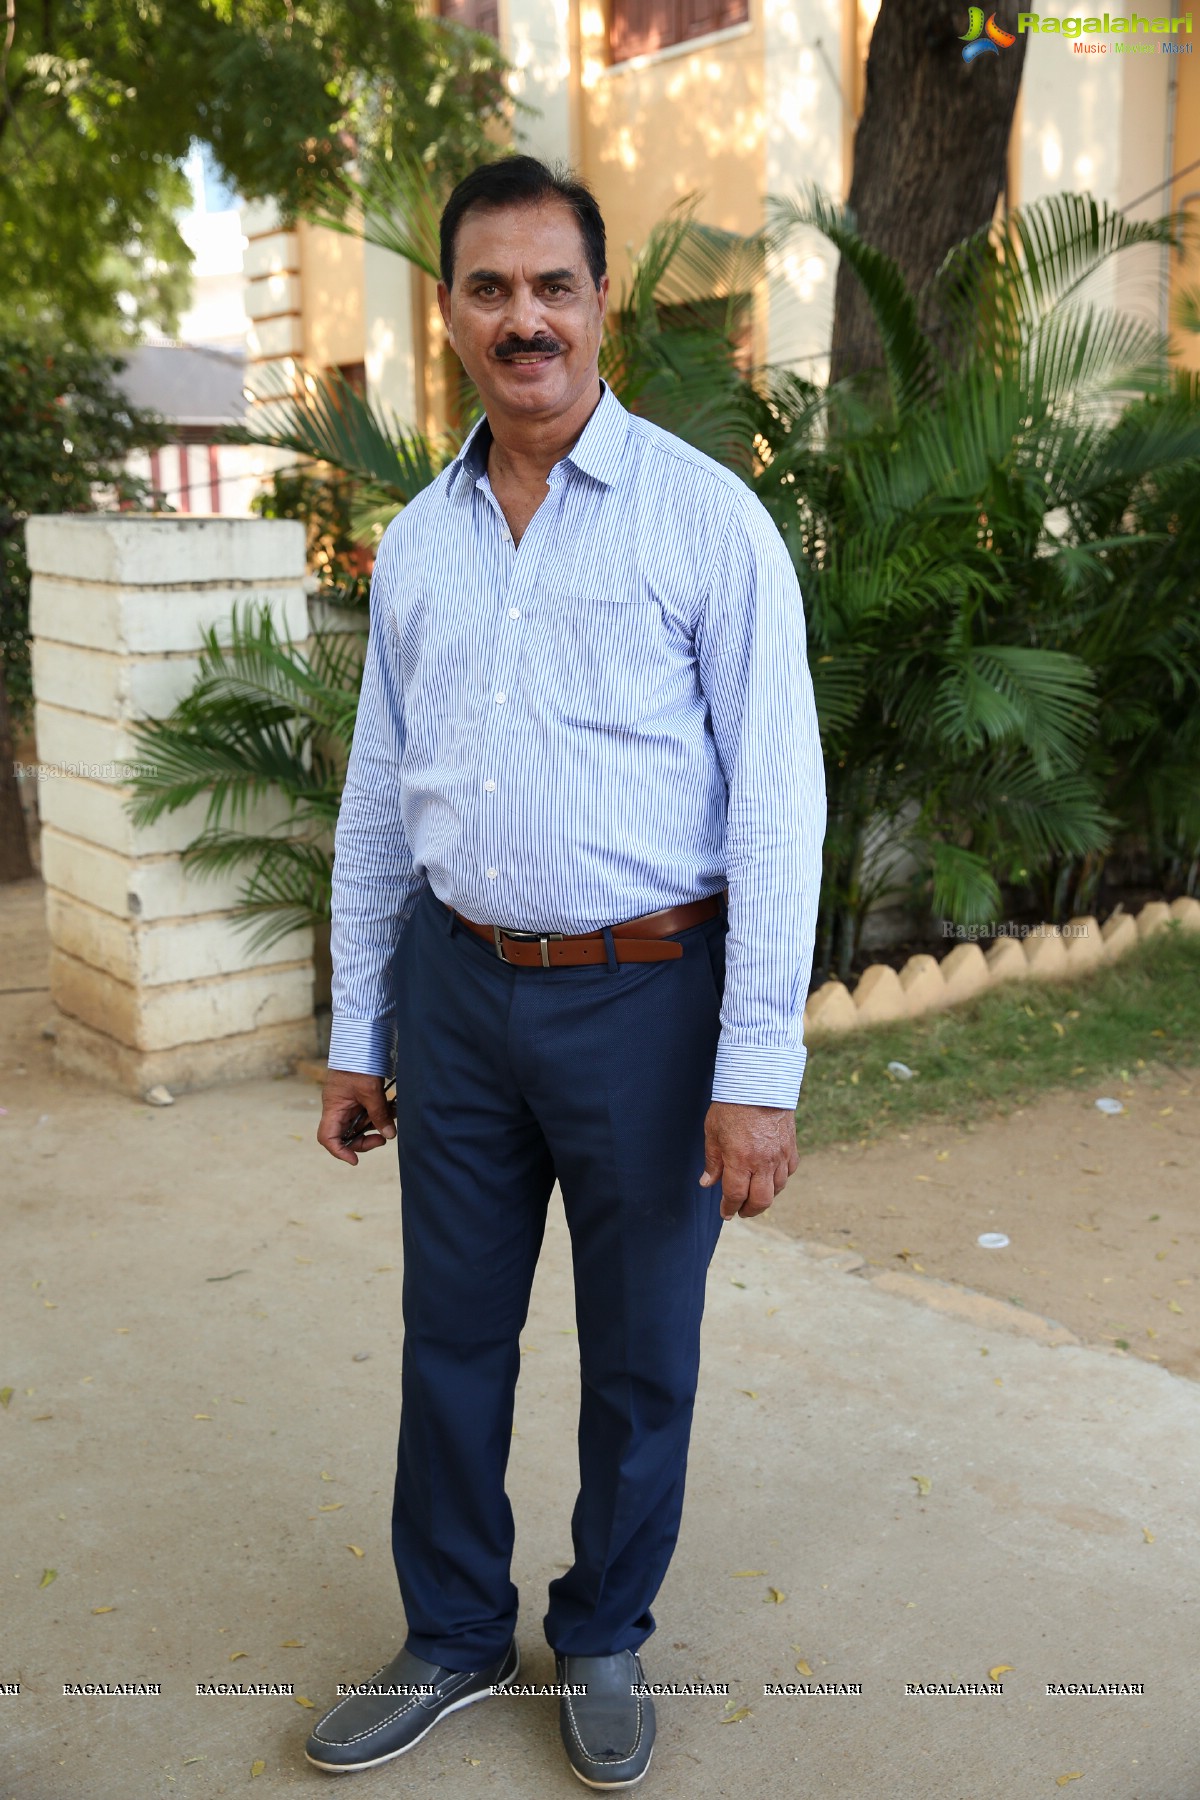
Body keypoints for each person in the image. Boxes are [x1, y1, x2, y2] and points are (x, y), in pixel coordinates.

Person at [307, 153, 825, 1789]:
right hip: (458, 1000)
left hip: (651, 1005)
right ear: (450, 313)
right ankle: (455, 1629)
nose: (522, 318)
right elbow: (379, 809)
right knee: (449, 1335)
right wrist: (355, 1026)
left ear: (602, 305)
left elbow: (782, 804)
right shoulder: (418, 545)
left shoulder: (705, 521)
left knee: (641, 1347)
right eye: (488, 288)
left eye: (553, 285)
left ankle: (603, 1625)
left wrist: (758, 1072)